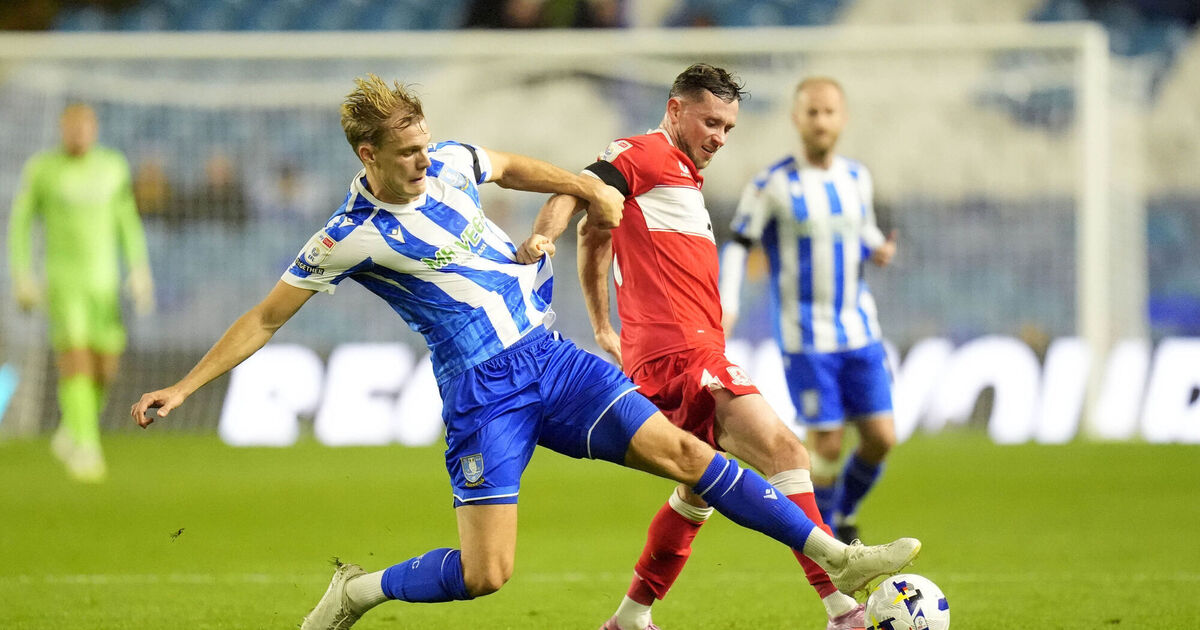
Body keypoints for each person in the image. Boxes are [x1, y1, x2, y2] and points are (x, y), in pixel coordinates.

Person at [130, 74, 919, 630]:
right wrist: (185, 386)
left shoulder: (448, 162)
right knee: (487, 575)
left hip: (552, 359)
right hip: (485, 395)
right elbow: (266, 318)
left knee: (688, 455)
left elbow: (506, 166)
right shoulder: (348, 237)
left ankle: (833, 558)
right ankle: (358, 592)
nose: (425, 159)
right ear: (367, 155)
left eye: (425, 143)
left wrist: (572, 190)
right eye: (407, 153)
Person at [523, 64, 914, 630]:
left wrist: (604, 326)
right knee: (786, 453)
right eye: (710, 122)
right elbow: (577, 191)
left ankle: (631, 616)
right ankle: (842, 604)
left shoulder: (677, 175)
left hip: (676, 352)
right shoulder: (644, 154)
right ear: (675, 109)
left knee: (697, 493)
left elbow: (596, 232)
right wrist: (543, 235)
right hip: (684, 354)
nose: (720, 137)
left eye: (728, 127)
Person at [720, 76, 898, 545]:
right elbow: (738, 245)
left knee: (882, 437)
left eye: (829, 112)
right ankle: (829, 540)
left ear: (843, 118)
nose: (821, 121)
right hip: (806, 335)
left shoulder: (857, 178)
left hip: (860, 327)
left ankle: (843, 513)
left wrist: (878, 247)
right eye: (812, 112)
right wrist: (728, 304)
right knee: (828, 444)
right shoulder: (772, 184)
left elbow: (864, 229)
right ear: (797, 119)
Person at [8, 102, 155, 482]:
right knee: (76, 359)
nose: (78, 134)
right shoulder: (43, 169)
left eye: (84, 127)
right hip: (64, 282)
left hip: (105, 284)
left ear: (94, 129)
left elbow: (126, 221)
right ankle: (86, 445)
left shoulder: (113, 166)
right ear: (62, 129)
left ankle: (71, 428)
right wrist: (22, 275)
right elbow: (21, 223)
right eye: (72, 127)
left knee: (106, 366)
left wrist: (139, 269)